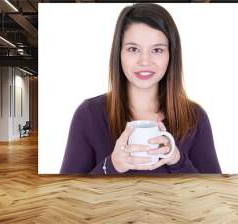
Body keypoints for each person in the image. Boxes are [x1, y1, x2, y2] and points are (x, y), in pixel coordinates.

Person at [60, 3, 221, 174]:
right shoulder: (89, 114)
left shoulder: (195, 117)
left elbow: (215, 192)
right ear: (119, 53)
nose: (145, 61)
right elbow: (66, 195)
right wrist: (111, 166)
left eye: (157, 50)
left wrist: (177, 160)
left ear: (171, 55)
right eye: (133, 49)